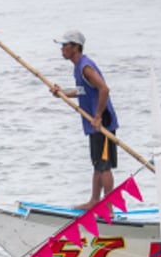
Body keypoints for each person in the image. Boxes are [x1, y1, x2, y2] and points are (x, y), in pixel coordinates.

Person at [49, 29, 120, 210]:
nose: (62, 49)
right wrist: (63, 93)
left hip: (101, 121)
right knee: (97, 163)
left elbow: (104, 89)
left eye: (65, 45)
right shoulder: (78, 67)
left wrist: (97, 117)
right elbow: (84, 91)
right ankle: (95, 201)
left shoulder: (85, 67)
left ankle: (108, 208)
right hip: (92, 122)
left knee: (104, 165)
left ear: (75, 47)